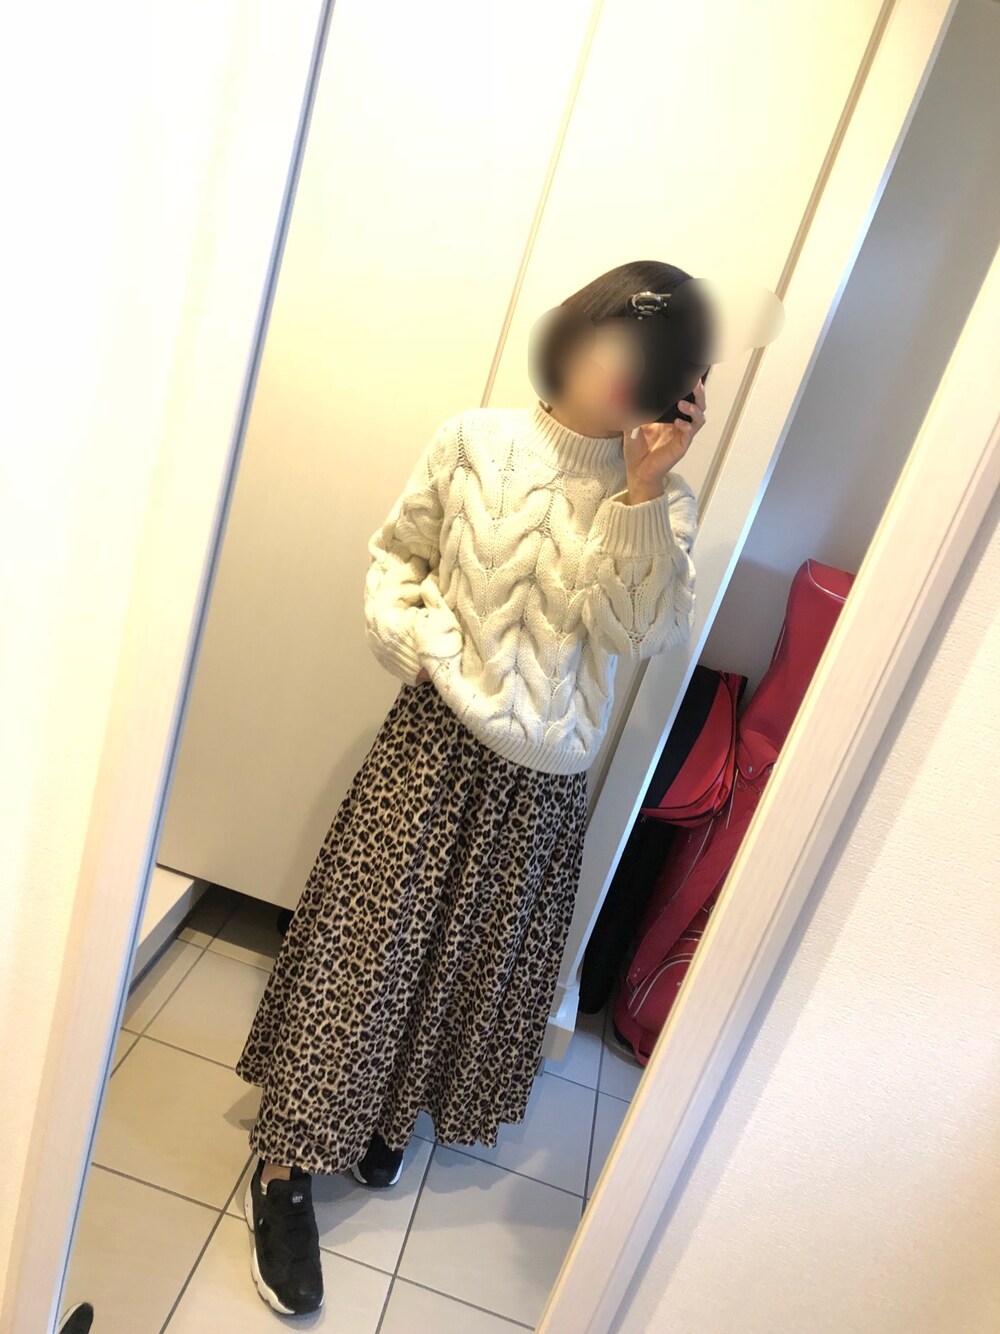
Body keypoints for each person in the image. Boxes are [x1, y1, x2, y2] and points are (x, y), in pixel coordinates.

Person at [233, 259, 706, 1315]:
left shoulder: (661, 506)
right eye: (617, 342)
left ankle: (381, 1114)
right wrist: (420, 643)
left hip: (544, 788)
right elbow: (393, 561)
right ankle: (284, 1166)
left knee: (460, 972)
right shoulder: (473, 441)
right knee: (364, 957)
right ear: (577, 333)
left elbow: (639, 633)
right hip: (435, 747)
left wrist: (641, 490)